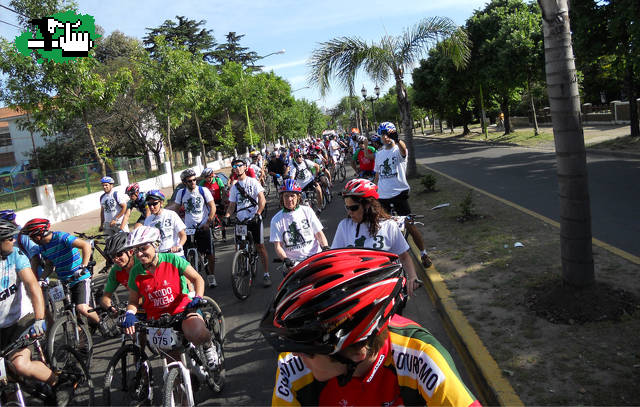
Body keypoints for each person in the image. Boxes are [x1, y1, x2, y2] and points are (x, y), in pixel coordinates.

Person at [260, 248, 481, 407]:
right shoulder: (292, 365)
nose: (294, 353)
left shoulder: (420, 356)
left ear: (356, 353)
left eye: (308, 350)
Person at [121, 226, 220, 370]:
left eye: (143, 248)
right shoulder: (135, 272)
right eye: (136, 251)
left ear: (155, 245)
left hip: (182, 311)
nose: (140, 254)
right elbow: (133, 301)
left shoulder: (172, 259)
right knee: (174, 366)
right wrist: (129, 313)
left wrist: (198, 297)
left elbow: (197, 279)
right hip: (159, 321)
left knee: (197, 333)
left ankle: (208, 346)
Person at [0, 219, 75, 406]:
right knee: (6, 377)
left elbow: (32, 286)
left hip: (20, 320)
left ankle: (58, 382)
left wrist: (39, 318)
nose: (13, 240)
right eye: (9, 237)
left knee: (20, 365)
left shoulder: (15, 254)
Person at [331, 179, 420, 296]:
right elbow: (335, 259)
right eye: (347, 208)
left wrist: (412, 277)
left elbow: (404, 256)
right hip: (355, 290)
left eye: (353, 208)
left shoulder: (389, 226)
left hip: (385, 290)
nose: (349, 213)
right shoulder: (344, 226)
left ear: (368, 205)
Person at [20, 218, 101, 327]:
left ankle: (102, 324)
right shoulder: (42, 247)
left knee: (81, 307)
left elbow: (85, 245)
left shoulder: (61, 237)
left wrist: (83, 267)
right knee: (71, 313)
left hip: (79, 277)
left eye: (32, 236)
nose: (31, 239)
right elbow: (49, 265)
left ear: (40, 234)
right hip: (64, 281)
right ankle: (81, 342)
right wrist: (42, 279)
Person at [374, 122, 433, 268]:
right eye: (382, 134)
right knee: (380, 227)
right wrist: (373, 191)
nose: (385, 137)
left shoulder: (397, 150)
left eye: (388, 134)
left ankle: (424, 253)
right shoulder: (379, 154)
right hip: (382, 196)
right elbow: (377, 175)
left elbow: (404, 150)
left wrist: (397, 139)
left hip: (399, 194)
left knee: (410, 225)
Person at [223, 158, 270, 287]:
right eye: (235, 166)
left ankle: (266, 274)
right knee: (239, 246)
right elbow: (232, 205)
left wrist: (258, 213)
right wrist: (227, 216)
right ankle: (243, 265)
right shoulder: (234, 186)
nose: (237, 168)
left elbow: (262, 200)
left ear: (245, 167)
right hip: (241, 220)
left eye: (240, 165)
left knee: (260, 246)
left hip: (253, 218)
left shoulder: (253, 182)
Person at [171, 169, 217, 288]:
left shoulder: (203, 190)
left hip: (203, 225)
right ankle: (190, 280)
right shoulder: (181, 193)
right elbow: (176, 209)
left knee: (209, 253)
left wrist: (208, 222)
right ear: (184, 182)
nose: (193, 182)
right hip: (188, 227)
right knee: (185, 254)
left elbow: (212, 207)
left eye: (194, 180)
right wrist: (177, 224)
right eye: (190, 181)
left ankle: (211, 276)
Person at [269, 180, 328, 272]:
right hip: (294, 264)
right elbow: (278, 246)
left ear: (298, 197)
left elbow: (319, 233)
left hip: (314, 257)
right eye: (286, 196)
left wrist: (325, 247)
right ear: (281, 198)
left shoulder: (307, 211)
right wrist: (285, 259)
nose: (289, 199)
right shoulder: (276, 220)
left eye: (292, 195)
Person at [100, 231, 137, 311]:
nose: (116, 259)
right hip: (136, 307)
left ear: (130, 252)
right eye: (112, 256)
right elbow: (105, 297)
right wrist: (110, 308)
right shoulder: (115, 271)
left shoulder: (142, 264)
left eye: (119, 254)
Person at [143, 190, 187, 258]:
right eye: (149, 204)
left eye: (154, 204)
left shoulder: (171, 215)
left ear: (161, 203)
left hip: (175, 255)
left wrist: (179, 246)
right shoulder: (148, 221)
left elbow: (183, 235)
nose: (151, 207)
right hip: (159, 257)